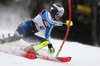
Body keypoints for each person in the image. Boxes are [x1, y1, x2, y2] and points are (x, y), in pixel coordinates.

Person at [0, 3, 73, 54]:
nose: (59, 16)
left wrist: (50, 46)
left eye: (61, 15)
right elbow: (50, 21)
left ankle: (30, 49)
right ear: (54, 11)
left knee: (45, 42)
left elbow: (47, 36)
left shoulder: (51, 24)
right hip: (25, 28)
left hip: (30, 35)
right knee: (16, 38)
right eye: (59, 13)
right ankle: (2, 41)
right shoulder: (46, 13)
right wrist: (63, 24)